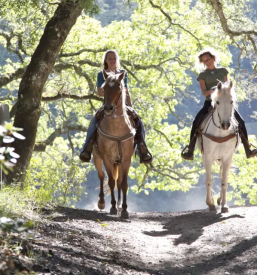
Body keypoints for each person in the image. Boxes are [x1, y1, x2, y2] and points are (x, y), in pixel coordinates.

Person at [181, 48, 257, 160]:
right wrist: (213, 91)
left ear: (213, 58)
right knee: (196, 122)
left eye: (208, 59)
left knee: (241, 121)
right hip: (210, 103)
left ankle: (248, 149)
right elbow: (204, 93)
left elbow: (227, 87)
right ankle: (190, 150)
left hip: (224, 103)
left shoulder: (223, 71)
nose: (207, 62)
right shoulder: (202, 75)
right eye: (204, 61)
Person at [79, 50, 152, 164]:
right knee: (94, 121)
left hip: (123, 105)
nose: (112, 60)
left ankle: (142, 148)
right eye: (109, 58)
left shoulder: (123, 73)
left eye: (114, 58)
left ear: (117, 60)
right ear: (106, 60)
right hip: (107, 105)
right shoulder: (101, 74)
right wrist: (111, 92)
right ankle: (87, 148)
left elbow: (126, 91)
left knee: (138, 121)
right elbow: (99, 92)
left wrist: (131, 106)